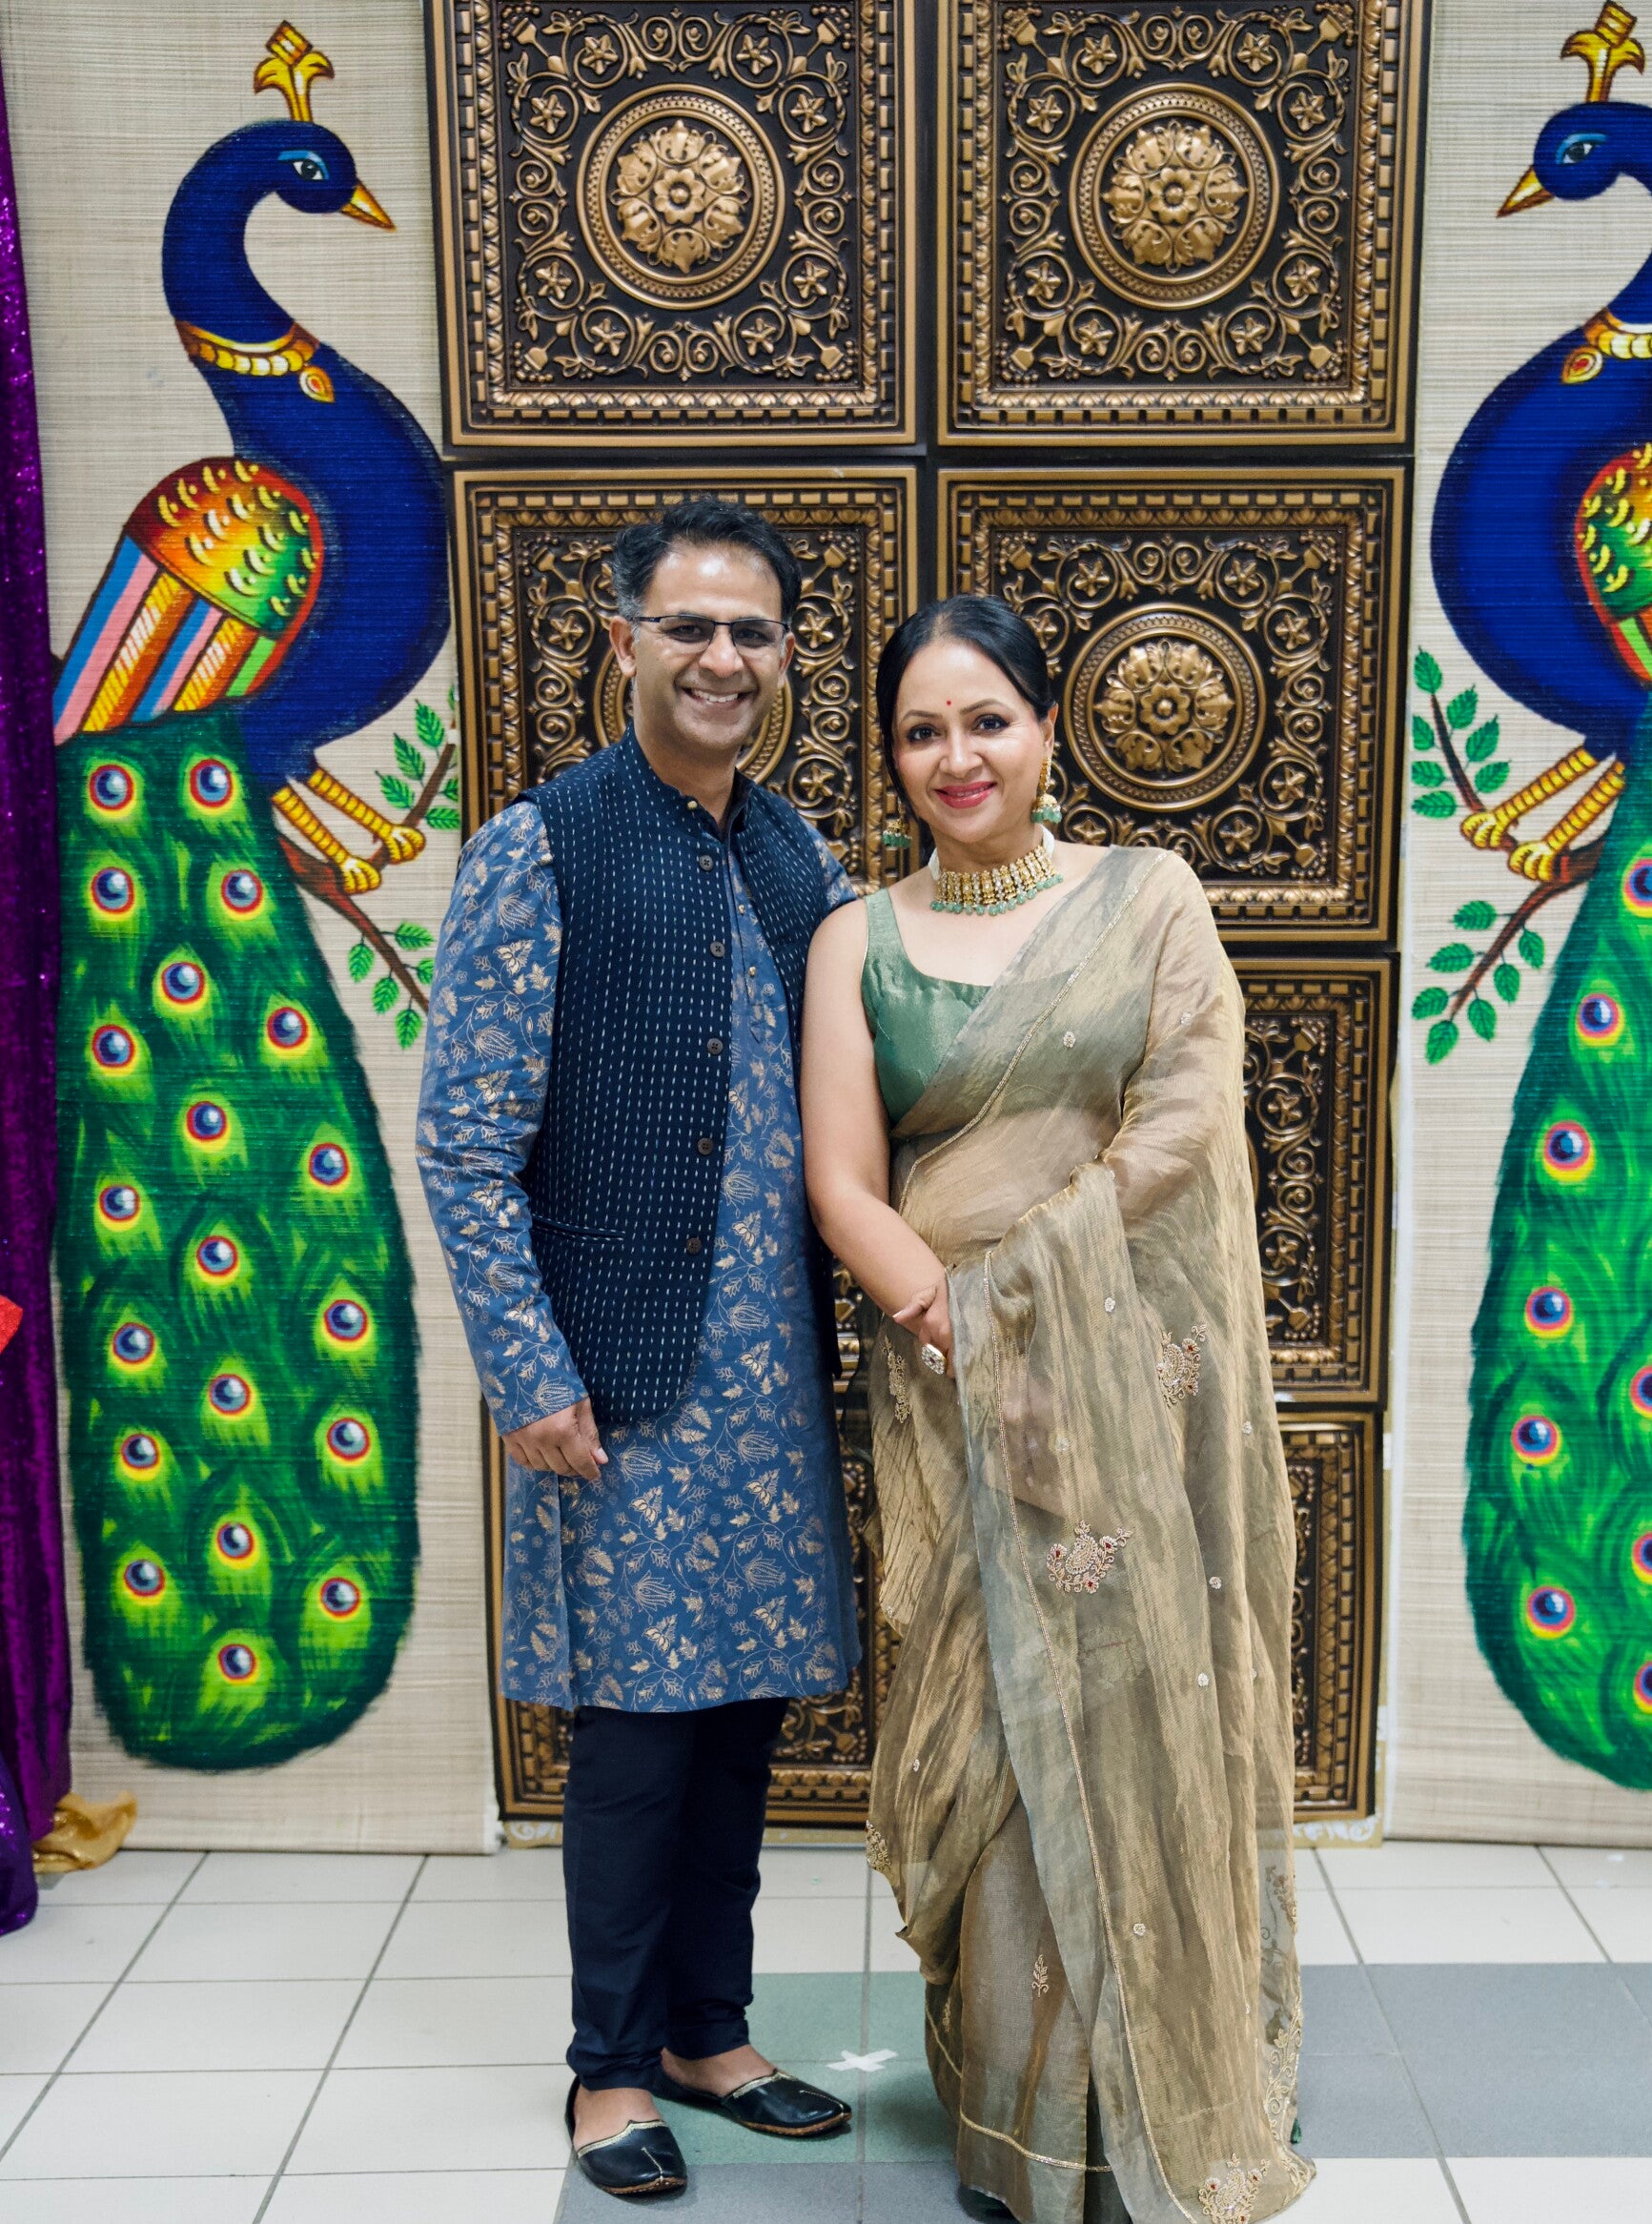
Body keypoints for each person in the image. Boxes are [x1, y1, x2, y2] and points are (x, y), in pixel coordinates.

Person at [801, 598, 1313, 2224]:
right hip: (950, 1385)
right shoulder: (855, 939)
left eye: (987, 720)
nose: (956, 756)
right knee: (1001, 1734)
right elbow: (843, 1178)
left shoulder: (1146, 897)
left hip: (1130, 1379)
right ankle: (1025, 2119)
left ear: (1043, 730)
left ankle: (1162, 2083)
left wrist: (1036, 1298)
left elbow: (1186, 1110)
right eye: (921, 731)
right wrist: (960, 1323)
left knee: (1133, 1689)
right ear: (892, 759)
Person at [418, 499, 858, 2201]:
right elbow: (465, 1141)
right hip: (620, 1373)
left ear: (786, 653)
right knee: (636, 1736)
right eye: (689, 627)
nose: (722, 658)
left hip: (773, 1377)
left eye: (752, 630)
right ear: (624, 642)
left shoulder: (798, 856)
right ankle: (609, 2068)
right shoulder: (541, 848)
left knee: (741, 1718)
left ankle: (708, 2032)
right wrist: (528, 1370)